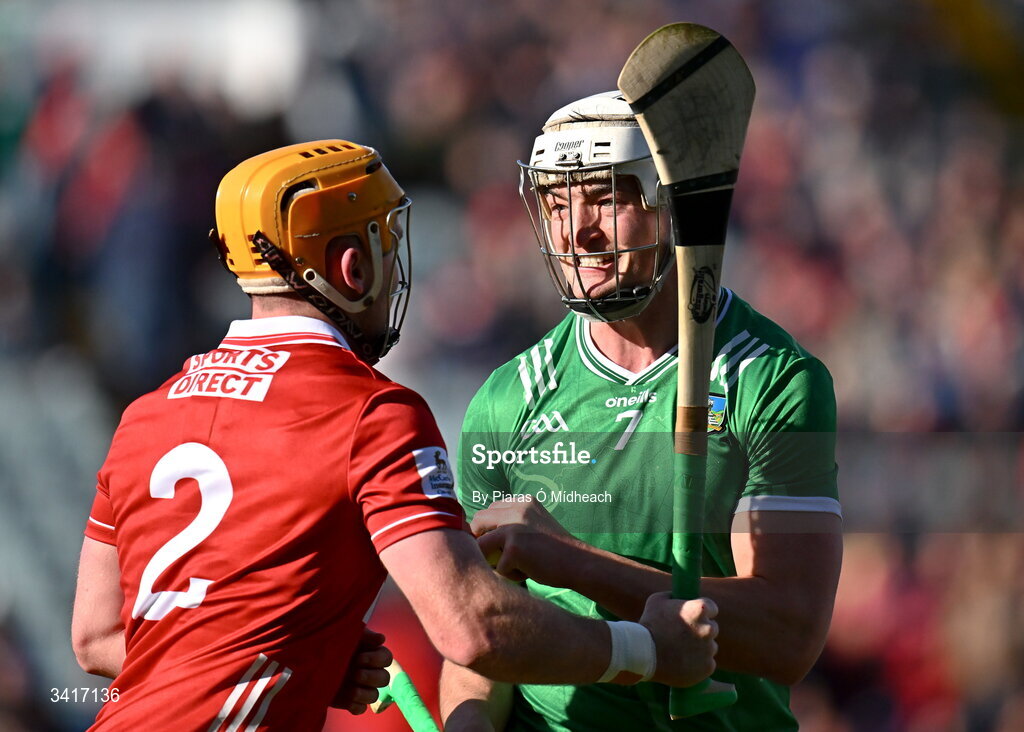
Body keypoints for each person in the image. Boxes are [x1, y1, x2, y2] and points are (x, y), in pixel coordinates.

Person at [70, 140, 722, 732]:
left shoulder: (145, 415)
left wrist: (299, 653)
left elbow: (97, 636)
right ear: (351, 267)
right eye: (385, 243)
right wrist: (648, 648)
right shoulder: (371, 413)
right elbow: (472, 624)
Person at [440, 92, 843, 731]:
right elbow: (480, 644)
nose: (578, 228)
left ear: (671, 207)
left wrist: (568, 559)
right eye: (555, 201)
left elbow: (786, 634)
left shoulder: (772, 380)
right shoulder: (507, 398)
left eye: (605, 197)